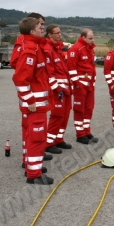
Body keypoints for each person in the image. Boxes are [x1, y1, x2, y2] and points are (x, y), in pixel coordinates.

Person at [12, 17, 54, 185]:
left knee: (31, 136)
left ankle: (31, 166)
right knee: (36, 138)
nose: (42, 28)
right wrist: (30, 100)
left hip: (36, 104)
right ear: (32, 31)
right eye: (39, 26)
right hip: (35, 106)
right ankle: (34, 174)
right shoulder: (30, 50)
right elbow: (20, 79)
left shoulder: (35, 46)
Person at [43, 24, 72, 154]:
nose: (60, 35)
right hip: (57, 90)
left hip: (65, 89)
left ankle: (58, 139)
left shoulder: (57, 49)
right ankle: (49, 143)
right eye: (57, 33)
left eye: (60, 32)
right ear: (50, 34)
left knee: (64, 115)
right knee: (57, 115)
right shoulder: (48, 49)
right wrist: (57, 88)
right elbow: (49, 73)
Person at [67, 29, 99, 144]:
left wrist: (92, 81)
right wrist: (77, 84)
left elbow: (91, 66)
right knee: (79, 109)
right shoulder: (76, 49)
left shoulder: (89, 49)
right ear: (83, 37)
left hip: (89, 85)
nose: (92, 40)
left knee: (89, 108)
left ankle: (86, 131)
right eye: (90, 38)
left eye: (93, 38)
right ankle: (80, 134)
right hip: (80, 86)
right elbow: (71, 68)